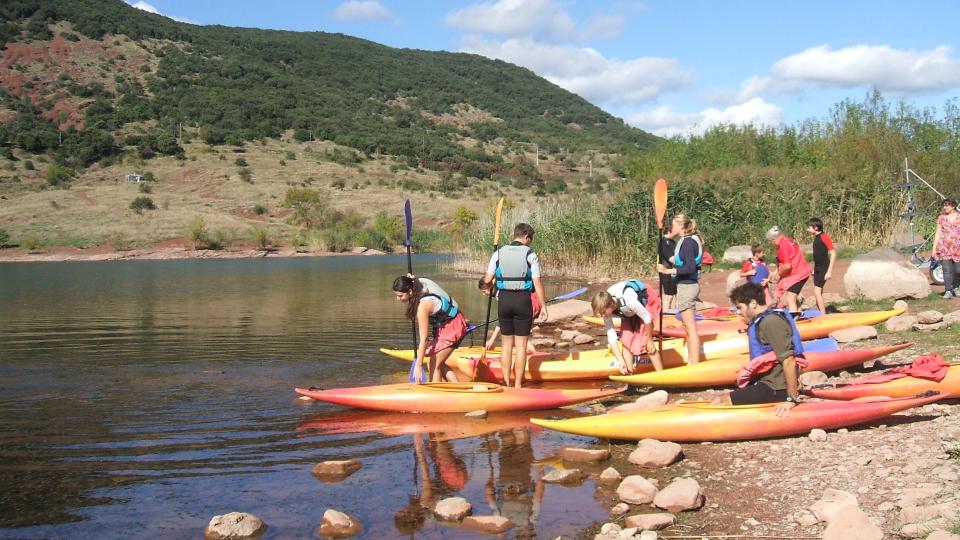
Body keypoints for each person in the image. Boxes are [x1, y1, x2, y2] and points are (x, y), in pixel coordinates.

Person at [710, 282, 804, 417]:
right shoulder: (762, 321)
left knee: (720, 401)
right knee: (720, 398)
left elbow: (789, 361)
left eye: (739, 307)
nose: (738, 312)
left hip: (776, 388)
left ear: (753, 303)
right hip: (767, 384)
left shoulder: (771, 322)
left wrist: (790, 399)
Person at [482, 223, 548, 388]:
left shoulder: (498, 253)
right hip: (522, 301)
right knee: (521, 347)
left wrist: (492, 285)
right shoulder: (530, 254)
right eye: (530, 240)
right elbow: (537, 283)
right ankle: (518, 385)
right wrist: (543, 306)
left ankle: (506, 383)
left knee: (506, 346)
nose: (530, 243)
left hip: (504, 300)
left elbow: (487, 281)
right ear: (526, 237)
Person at [392, 275, 466, 383]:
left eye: (400, 295)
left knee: (433, 363)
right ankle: (460, 388)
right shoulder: (417, 292)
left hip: (453, 328)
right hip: (446, 327)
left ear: (410, 291)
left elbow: (424, 339)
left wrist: (418, 364)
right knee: (438, 362)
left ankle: (436, 393)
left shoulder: (422, 307)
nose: (398, 299)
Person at [656, 214, 703, 364]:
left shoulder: (688, 243)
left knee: (690, 328)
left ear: (681, 226)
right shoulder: (687, 241)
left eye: (674, 225)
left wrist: (667, 271)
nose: (672, 227)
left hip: (688, 286)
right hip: (685, 286)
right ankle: (691, 361)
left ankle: (694, 363)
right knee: (687, 327)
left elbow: (689, 267)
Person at [590, 279, 664, 373]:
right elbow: (612, 338)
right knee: (626, 340)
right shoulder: (606, 311)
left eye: (603, 312)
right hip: (627, 312)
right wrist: (621, 361)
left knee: (648, 344)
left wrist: (649, 339)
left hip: (645, 302)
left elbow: (647, 318)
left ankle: (661, 375)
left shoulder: (629, 300)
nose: (603, 315)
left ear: (611, 305)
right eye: (600, 313)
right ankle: (630, 374)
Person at [478, 278, 539, 354]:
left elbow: (501, 319)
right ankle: (529, 354)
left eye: (484, 291)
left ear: (490, 287)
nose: (484, 294)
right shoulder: (501, 286)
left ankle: (533, 354)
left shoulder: (500, 293)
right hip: (527, 304)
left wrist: (492, 339)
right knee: (518, 335)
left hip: (527, 306)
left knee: (516, 336)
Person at [766, 225, 812, 313]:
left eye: (770, 241)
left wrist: (779, 274)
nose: (771, 244)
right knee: (792, 298)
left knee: (790, 299)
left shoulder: (784, 245)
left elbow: (787, 266)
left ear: (773, 239)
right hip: (801, 271)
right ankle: (798, 314)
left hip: (798, 274)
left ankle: (793, 322)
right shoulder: (787, 240)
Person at [806, 217, 837, 313]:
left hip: (824, 267)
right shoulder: (817, 237)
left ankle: (823, 316)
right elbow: (819, 255)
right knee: (818, 292)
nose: (808, 229)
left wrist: (829, 272)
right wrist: (815, 269)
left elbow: (833, 253)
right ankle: (821, 312)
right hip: (818, 268)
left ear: (815, 228)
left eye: (809, 227)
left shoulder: (824, 237)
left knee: (817, 292)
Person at [933, 198, 960, 298]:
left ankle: (956, 287)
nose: (945, 207)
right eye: (944, 205)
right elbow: (938, 234)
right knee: (946, 269)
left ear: (953, 206)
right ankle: (948, 290)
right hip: (945, 247)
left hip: (958, 247)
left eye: (947, 205)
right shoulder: (941, 218)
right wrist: (934, 250)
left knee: (958, 270)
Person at [657, 228, 678, 310]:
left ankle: (676, 311)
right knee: (668, 295)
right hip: (666, 271)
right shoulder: (663, 242)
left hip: (673, 270)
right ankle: (666, 312)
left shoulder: (672, 241)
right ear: (669, 231)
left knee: (676, 293)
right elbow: (671, 259)